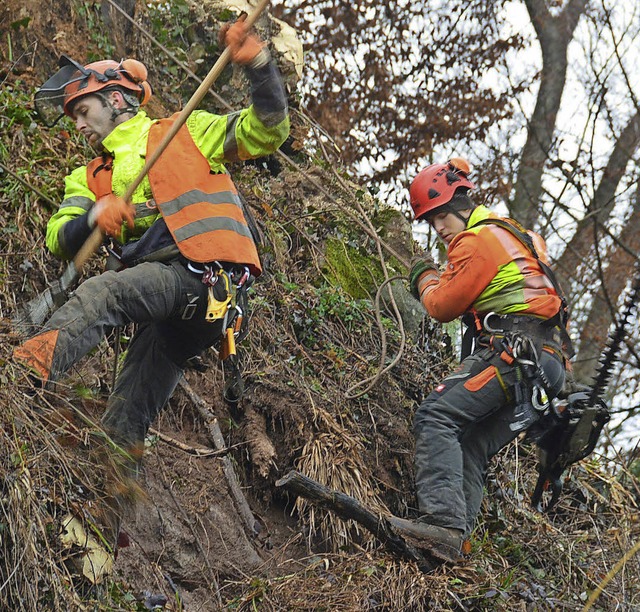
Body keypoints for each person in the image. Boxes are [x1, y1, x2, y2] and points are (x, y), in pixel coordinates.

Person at [14, 19, 289, 461]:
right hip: (174, 302)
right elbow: (57, 239)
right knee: (127, 414)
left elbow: (267, 130)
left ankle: (21, 375)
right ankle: (106, 512)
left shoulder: (185, 130)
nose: (78, 125)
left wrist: (258, 65)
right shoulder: (88, 178)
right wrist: (94, 217)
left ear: (116, 99)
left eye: (84, 111)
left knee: (104, 293)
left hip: (204, 280)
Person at [388, 158, 572, 563]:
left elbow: (440, 305)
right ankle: (457, 544)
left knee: (436, 416)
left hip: (514, 354)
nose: (437, 227)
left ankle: (441, 524)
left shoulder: (476, 242)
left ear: (460, 202)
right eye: (429, 220)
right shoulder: (519, 235)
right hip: (547, 365)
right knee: (471, 443)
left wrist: (423, 275)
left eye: (439, 215)